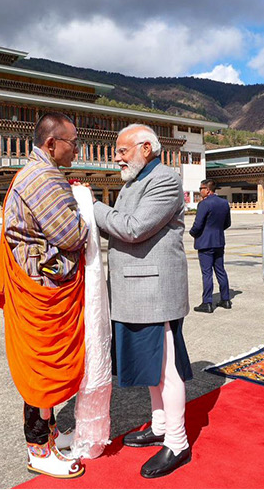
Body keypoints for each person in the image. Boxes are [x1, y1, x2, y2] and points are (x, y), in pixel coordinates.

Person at [92, 124, 194, 479]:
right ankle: (160, 425)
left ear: (146, 148)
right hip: (136, 289)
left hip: (154, 290)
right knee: (153, 369)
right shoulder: (134, 181)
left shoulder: (165, 180)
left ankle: (178, 442)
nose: (116, 157)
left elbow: (134, 227)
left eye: (122, 151)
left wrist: (93, 208)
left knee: (166, 368)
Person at [0, 113, 89, 479]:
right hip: (41, 290)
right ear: (51, 144)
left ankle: (49, 433)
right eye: (73, 141)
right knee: (41, 369)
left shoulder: (36, 172)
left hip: (40, 284)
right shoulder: (43, 178)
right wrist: (83, 213)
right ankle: (38, 448)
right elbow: (73, 235)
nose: (76, 147)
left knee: (44, 367)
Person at [191, 179, 233, 313]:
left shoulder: (204, 204)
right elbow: (227, 223)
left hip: (205, 243)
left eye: (201, 188)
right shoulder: (224, 203)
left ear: (208, 190)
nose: (200, 191)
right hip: (219, 241)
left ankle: (207, 302)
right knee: (220, 270)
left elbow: (198, 225)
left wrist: (193, 233)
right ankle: (225, 299)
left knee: (207, 273)